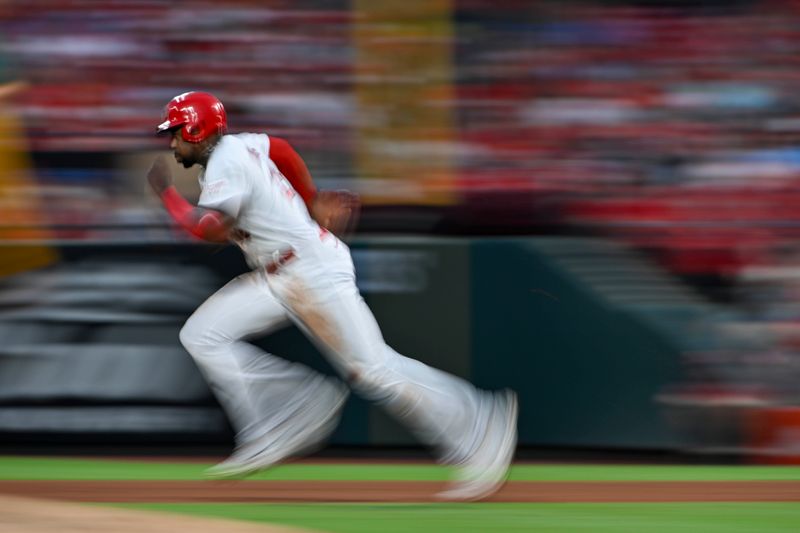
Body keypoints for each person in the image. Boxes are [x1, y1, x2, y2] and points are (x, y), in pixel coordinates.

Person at [146, 91, 518, 501]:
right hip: (280, 275)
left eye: (177, 132)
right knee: (202, 335)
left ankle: (482, 427)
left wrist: (168, 197)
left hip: (310, 271)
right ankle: (289, 412)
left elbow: (212, 231)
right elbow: (282, 150)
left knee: (374, 371)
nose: (172, 141)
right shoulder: (243, 145)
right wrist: (311, 199)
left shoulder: (226, 162)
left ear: (197, 130)